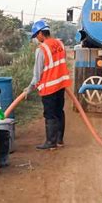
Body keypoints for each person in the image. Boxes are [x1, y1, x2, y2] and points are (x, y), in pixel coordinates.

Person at [25, 20, 71, 150]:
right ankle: (59, 140)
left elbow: (37, 74)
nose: (36, 39)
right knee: (59, 111)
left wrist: (30, 88)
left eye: (35, 36)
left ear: (40, 33)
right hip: (61, 85)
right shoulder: (60, 43)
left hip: (49, 87)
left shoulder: (42, 49)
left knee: (50, 114)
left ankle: (51, 142)